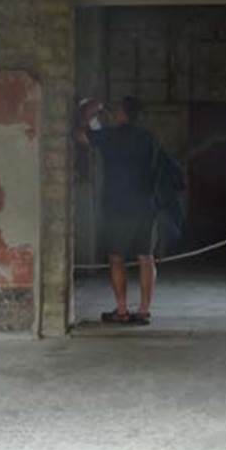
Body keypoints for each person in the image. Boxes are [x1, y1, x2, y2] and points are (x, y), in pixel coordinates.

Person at [76, 95, 159, 325]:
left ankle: (121, 311)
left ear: (123, 114)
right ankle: (143, 312)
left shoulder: (111, 136)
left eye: (117, 110)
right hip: (145, 203)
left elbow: (81, 137)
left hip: (117, 205)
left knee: (116, 257)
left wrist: (87, 115)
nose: (114, 114)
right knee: (146, 258)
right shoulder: (148, 138)